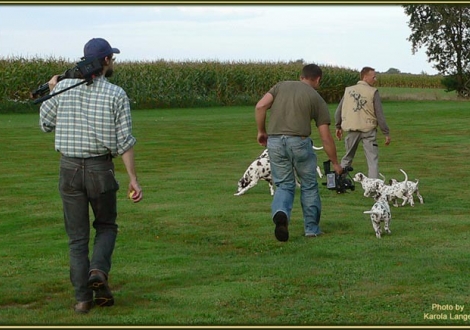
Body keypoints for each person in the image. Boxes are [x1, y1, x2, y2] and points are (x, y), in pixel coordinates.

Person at [39, 37, 143, 314]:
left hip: (68, 168)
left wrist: (53, 88)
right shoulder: (116, 94)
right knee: (106, 226)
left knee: (77, 238)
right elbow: (125, 142)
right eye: (113, 58)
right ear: (106, 61)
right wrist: (133, 178)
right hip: (101, 168)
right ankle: (98, 271)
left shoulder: (63, 88)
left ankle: (83, 299)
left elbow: (45, 124)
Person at [255, 63, 343, 242]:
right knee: (309, 185)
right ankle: (311, 228)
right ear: (317, 79)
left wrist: (261, 131)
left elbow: (260, 106)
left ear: (301, 76)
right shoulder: (316, 98)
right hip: (300, 143)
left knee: (284, 184)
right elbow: (325, 137)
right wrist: (335, 163)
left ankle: (281, 214)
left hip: (275, 142)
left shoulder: (280, 87)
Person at [334, 66, 391, 179]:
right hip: (368, 130)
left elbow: (338, 111)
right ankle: (374, 185)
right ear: (365, 77)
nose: (375, 79)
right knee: (372, 160)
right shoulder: (373, 92)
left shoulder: (348, 90)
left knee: (347, 157)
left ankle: (339, 181)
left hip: (352, 129)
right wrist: (386, 132)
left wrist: (338, 126)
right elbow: (379, 114)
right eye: (373, 77)